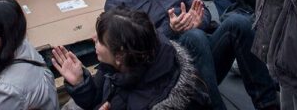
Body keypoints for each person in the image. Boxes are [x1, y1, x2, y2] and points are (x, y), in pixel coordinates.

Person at [104, 0, 223, 109]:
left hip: (200, 43)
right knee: (194, 37)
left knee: (238, 24)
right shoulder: (117, 4)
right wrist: (172, 30)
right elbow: (135, 51)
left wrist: (198, 21)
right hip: (167, 63)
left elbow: (198, 6)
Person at [52, 6, 207, 109]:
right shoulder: (120, 64)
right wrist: (80, 84)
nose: (94, 40)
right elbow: (97, 99)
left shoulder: (149, 103)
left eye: (100, 40)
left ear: (119, 55)